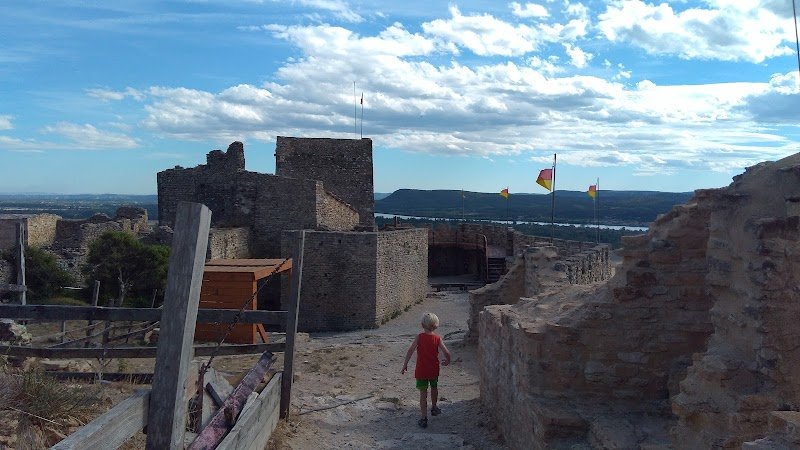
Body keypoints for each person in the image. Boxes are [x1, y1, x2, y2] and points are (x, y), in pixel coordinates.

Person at [401, 312, 451, 428]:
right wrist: (448, 360)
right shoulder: (437, 338)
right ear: (436, 326)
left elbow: (410, 350)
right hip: (433, 370)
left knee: (423, 394)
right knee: (434, 387)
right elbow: (446, 352)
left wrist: (405, 364)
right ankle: (434, 407)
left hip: (421, 371)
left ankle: (424, 418)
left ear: (422, 325)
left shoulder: (419, 337)